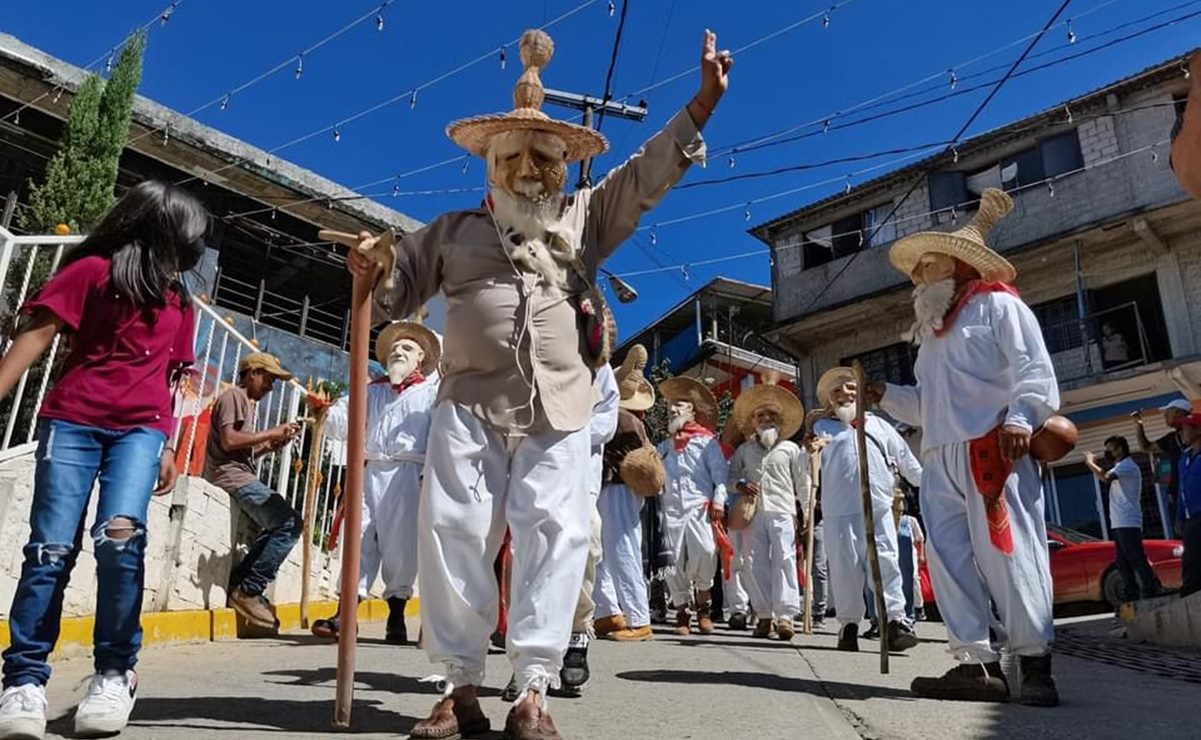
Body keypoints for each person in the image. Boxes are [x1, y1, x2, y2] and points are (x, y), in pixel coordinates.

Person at [343, 28, 731, 740]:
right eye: (511, 157)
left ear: (563, 166)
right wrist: (371, 272)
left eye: (544, 158)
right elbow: (393, 299)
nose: (527, 170)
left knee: (555, 539)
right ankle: (459, 690)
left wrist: (699, 106)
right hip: (466, 405)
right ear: (488, 165)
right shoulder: (452, 231)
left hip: (559, 411)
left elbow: (645, 176)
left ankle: (532, 693)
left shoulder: (585, 221)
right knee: (454, 536)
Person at [0, 181, 206, 739]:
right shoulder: (89, 272)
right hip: (73, 423)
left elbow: (173, 379)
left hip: (140, 433)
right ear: (160, 232)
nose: (191, 258)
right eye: (189, 242)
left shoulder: (179, 303)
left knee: (120, 540)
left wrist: (167, 443)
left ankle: (115, 673)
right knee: (49, 550)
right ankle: (23, 681)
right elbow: (37, 336)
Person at [872, 187, 1061, 706]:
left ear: (957, 265)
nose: (916, 277)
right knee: (949, 558)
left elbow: (1034, 369)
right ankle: (976, 665)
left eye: (926, 265)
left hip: (992, 450)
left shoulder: (1000, 305)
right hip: (938, 457)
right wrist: (885, 394)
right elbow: (928, 406)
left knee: (1011, 553)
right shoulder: (933, 334)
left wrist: (1022, 417)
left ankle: (1034, 664)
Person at [311, 319, 441, 642]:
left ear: (421, 359)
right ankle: (346, 613)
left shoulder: (433, 393)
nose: (399, 351)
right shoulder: (372, 390)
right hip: (369, 472)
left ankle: (396, 614)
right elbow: (344, 419)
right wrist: (324, 412)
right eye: (395, 347)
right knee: (358, 537)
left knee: (402, 545)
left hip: (409, 474)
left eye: (407, 348)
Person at [813, 367, 922, 653]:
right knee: (845, 569)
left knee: (885, 562)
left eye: (850, 388)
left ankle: (896, 622)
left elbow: (907, 462)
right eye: (837, 391)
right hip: (839, 512)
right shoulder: (822, 428)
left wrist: (931, 485)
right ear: (830, 400)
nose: (845, 394)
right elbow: (809, 469)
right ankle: (849, 625)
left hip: (878, 508)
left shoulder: (880, 425)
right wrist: (809, 452)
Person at [203, 352, 302, 633]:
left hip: (237, 473)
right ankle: (249, 590)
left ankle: (241, 582)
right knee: (289, 523)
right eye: (269, 379)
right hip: (230, 478)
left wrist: (270, 446)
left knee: (278, 526)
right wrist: (272, 432)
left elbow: (240, 451)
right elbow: (230, 440)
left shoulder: (246, 404)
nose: (271, 386)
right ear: (252, 372)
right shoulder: (233, 397)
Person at [593, 345, 664, 643]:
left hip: (617, 488)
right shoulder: (633, 419)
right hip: (617, 489)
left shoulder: (621, 419)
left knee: (620, 551)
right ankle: (609, 611)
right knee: (606, 552)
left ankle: (638, 618)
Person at [727, 382, 809, 640]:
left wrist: (806, 510)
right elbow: (730, 478)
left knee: (784, 559)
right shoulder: (744, 450)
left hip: (783, 510)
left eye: (770, 416)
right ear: (753, 422)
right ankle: (764, 615)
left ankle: (785, 616)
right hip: (753, 512)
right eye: (760, 416)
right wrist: (740, 485)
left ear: (779, 421)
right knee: (753, 563)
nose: (765, 419)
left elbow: (803, 482)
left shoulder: (791, 449)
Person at [657, 376, 730, 636]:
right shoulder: (663, 447)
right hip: (670, 509)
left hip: (700, 506)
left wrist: (720, 499)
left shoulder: (707, 441)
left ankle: (704, 607)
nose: (674, 410)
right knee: (672, 560)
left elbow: (720, 474)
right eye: (671, 406)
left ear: (692, 411)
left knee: (706, 552)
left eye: (680, 405)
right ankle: (681, 611)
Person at [1084, 436, 1162, 604]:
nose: (1108, 453)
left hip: (1128, 521)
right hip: (1119, 522)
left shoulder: (1127, 466)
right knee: (1122, 561)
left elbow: (1105, 477)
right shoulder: (1119, 466)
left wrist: (1090, 463)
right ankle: (1131, 593)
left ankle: (1152, 587)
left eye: (1110, 449)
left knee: (1135, 556)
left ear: (1120, 449)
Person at [1134, 399, 1191, 522]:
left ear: (1178, 413)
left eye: (1168, 412)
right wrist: (1139, 424)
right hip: (1177, 495)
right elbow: (1146, 447)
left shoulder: (1195, 432)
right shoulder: (1171, 439)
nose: (1164, 416)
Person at [1176, 414, 1201, 597]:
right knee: (1191, 559)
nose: (1182, 432)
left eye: (1186, 427)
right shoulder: (1183, 459)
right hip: (1190, 518)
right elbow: (1181, 490)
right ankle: (1190, 597)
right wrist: (1179, 517)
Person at [894, 494, 926, 623]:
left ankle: (918, 607)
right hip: (895, 553)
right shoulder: (888, 519)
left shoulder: (910, 520)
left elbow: (920, 539)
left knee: (913, 579)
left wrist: (921, 554)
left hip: (910, 553)